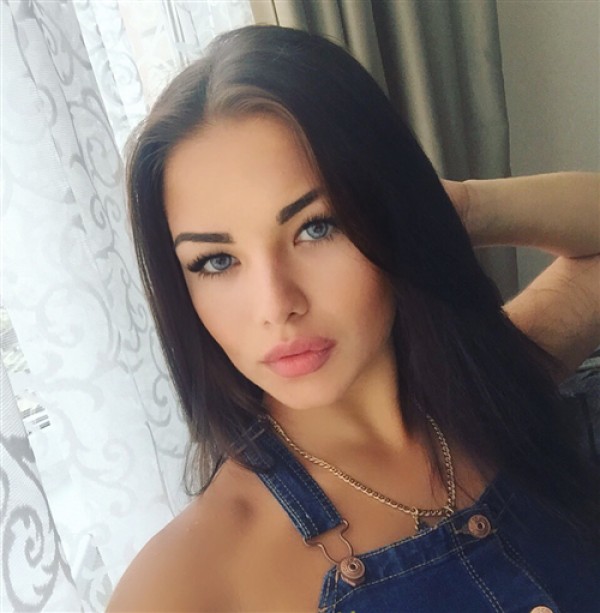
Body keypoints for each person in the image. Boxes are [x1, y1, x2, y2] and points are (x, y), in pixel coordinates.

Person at [108, 25, 600, 612]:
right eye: (216, 261)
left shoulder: (492, 388)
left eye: (317, 227)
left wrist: (448, 209)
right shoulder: (186, 585)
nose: (276, 305)